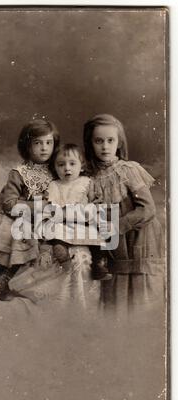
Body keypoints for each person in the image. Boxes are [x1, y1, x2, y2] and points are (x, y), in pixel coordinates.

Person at [0, 119, 60, 299]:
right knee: (10, 238)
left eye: (49, 143)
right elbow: (9, 203)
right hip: (12, 215)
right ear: (27, 146)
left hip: (40, 218)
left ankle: (9, 282)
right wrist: (40, 206)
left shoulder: (55, 168)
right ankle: (0, 282)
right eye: (38, 143)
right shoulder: (19, 173)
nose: (44, 148)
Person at [83, 113, 164, 312]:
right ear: (90, 143)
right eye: (98, 141)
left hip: (136, 240)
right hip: (110, 250)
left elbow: (147, 209)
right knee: (113, 301)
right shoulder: (87, 176)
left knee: (139, 299)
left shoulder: (127, 171)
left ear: (119, 142)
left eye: (111, 140)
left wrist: (117, 226)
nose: (105, 146)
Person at [43, 143, 112, 279]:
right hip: (63, 222)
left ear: (82, 166)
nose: (67, 168)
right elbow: (52, 206)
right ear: (55, 167)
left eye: (72, 164)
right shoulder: (54, 185)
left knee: (99, 238)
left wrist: (95, 206)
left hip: (83, 221)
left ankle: (98, 266)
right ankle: (64, 259)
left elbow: (94, 201)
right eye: (61, 165)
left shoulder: (86, 182)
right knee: (57, 238)